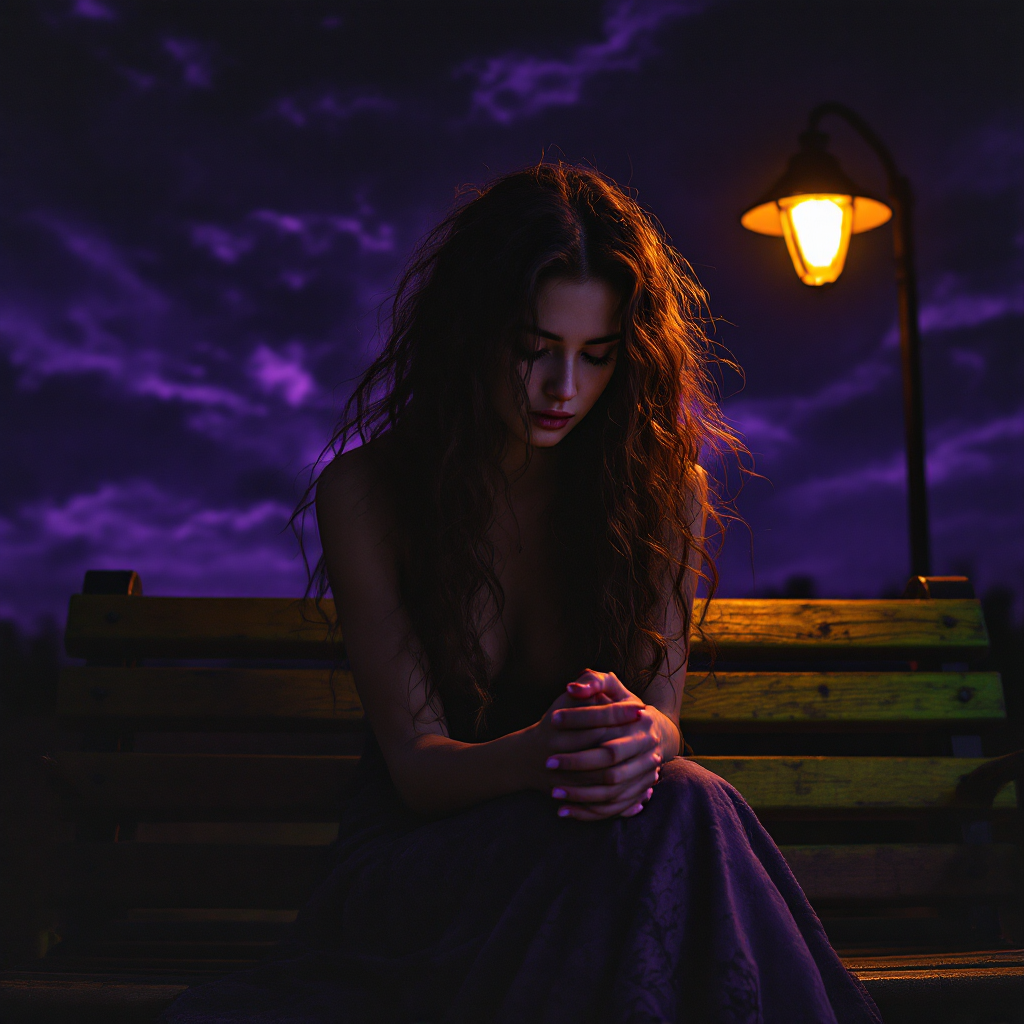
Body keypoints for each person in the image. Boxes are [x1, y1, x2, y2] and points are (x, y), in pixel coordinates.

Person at [163, 164, 881, 1023]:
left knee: (679, 801)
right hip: (420, 876)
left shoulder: (661, 489)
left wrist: (630, 737)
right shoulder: (369, 493)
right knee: (685, 809)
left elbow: (663, 717)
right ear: (472, 332)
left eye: (596, 356)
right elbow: (419, 771)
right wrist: (554, 753)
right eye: (535, 349)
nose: (563, 389)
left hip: (610, 849)